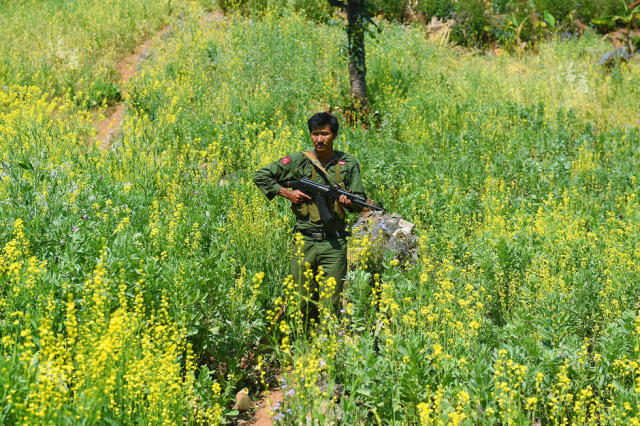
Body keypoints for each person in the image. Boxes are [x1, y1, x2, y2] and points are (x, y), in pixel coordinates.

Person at [253, 112, 367, 323]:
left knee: (330, 304)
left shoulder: (348, 163)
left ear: (334, 135)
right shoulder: (298, 161)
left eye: (325, 134)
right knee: (298, 302)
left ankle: (325, 348)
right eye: (315, 134)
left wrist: (348, 202)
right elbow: (261, 176)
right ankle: (297, 347)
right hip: (303, 240)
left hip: (335, 242)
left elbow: (360, 200)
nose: (319, 139)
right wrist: (288, 193)